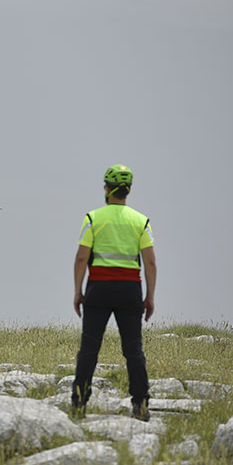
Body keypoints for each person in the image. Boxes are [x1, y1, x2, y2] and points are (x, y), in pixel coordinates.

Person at [71, 164, 156, 421]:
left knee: (89, 349)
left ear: (107, 189)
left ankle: (78, 405)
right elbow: (150, 262)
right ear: (128, 191)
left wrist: (78, 291)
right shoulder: (141, 221)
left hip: (98, 287)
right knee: (133, 350)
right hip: (130, 289)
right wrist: (150, 296)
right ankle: (140, 405)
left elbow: (81, 257)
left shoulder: (93, 218)